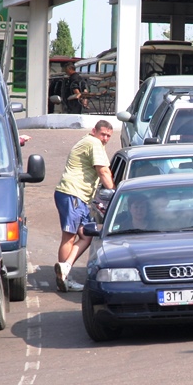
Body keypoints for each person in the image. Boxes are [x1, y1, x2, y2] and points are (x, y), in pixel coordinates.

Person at [54, 120, 115, 291]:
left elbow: (105, 171)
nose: (105, 138)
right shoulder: (93, 142)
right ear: (94, 131)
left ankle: (65, 268)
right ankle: (64, 278)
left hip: (76, 197)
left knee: (87, 234)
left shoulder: (92, 142)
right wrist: (116, 193)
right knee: (69, 236)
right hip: (72, 194)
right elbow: (103, 171)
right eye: (103, 134)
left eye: (109, 136)